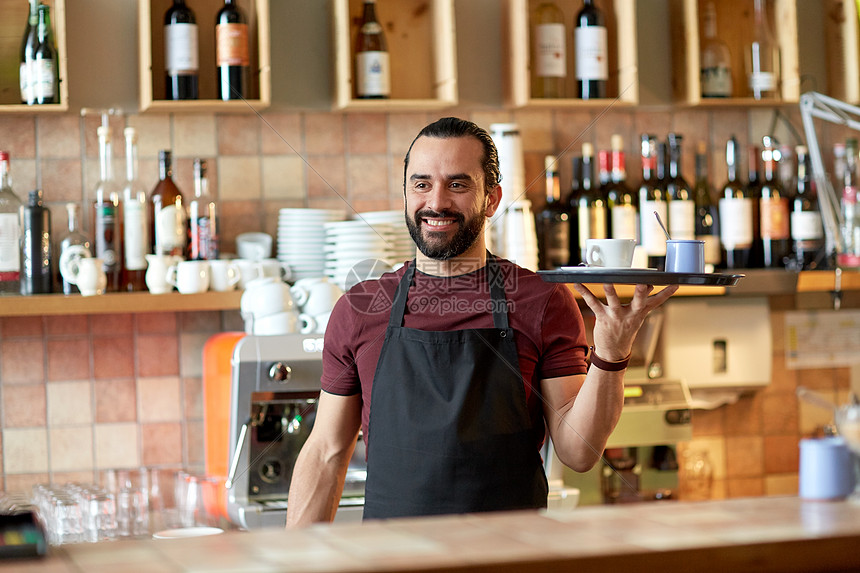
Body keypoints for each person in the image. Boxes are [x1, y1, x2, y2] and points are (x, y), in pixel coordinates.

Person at [285, 117, 678, 525]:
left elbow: (578, 452)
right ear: (405, 194)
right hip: (393, 559)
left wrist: (611, 356)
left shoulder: (542, 301)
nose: (436, 202)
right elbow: (326, 452)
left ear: (492, 199)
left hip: (507, 558)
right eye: (421, 184)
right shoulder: (360, 308)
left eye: (457, 185)